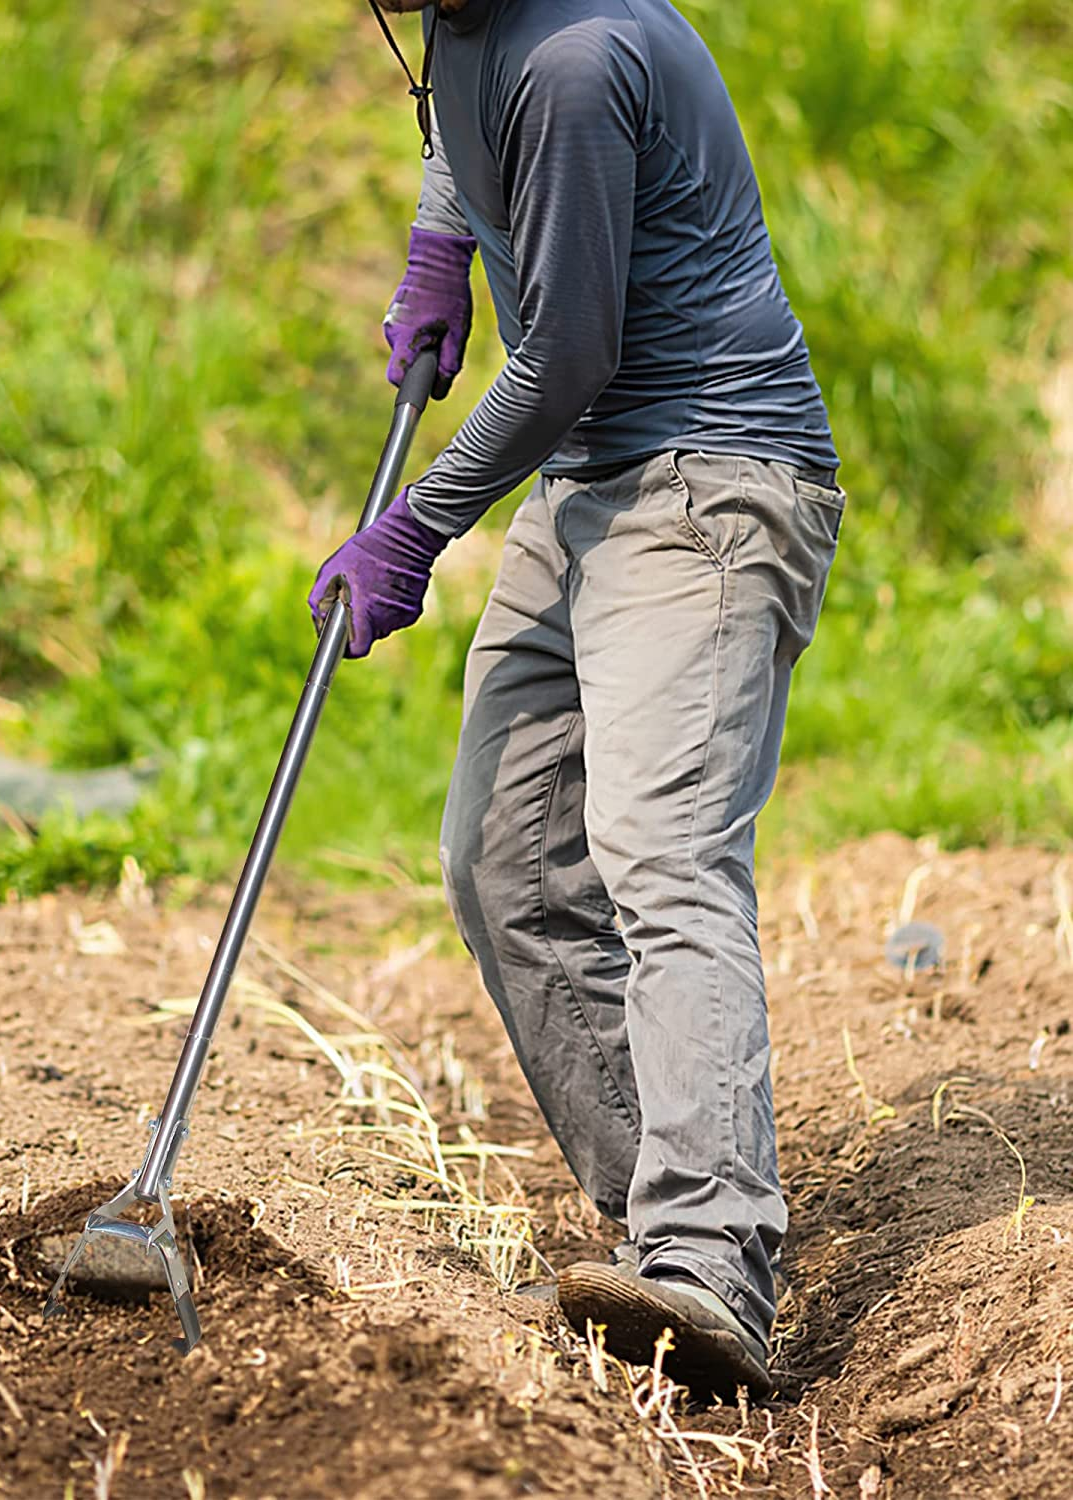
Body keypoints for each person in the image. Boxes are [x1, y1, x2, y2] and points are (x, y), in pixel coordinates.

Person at [309, 0, 845, 1399]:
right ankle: (666, 1207)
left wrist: (415, 528)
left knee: (664, 860)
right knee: (504, 862)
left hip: (710, 481)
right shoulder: (477, 26)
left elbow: (566, 361)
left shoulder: (573, 60)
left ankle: (713, 1254)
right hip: (594, 485)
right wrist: (442, 243)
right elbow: (460, 112)